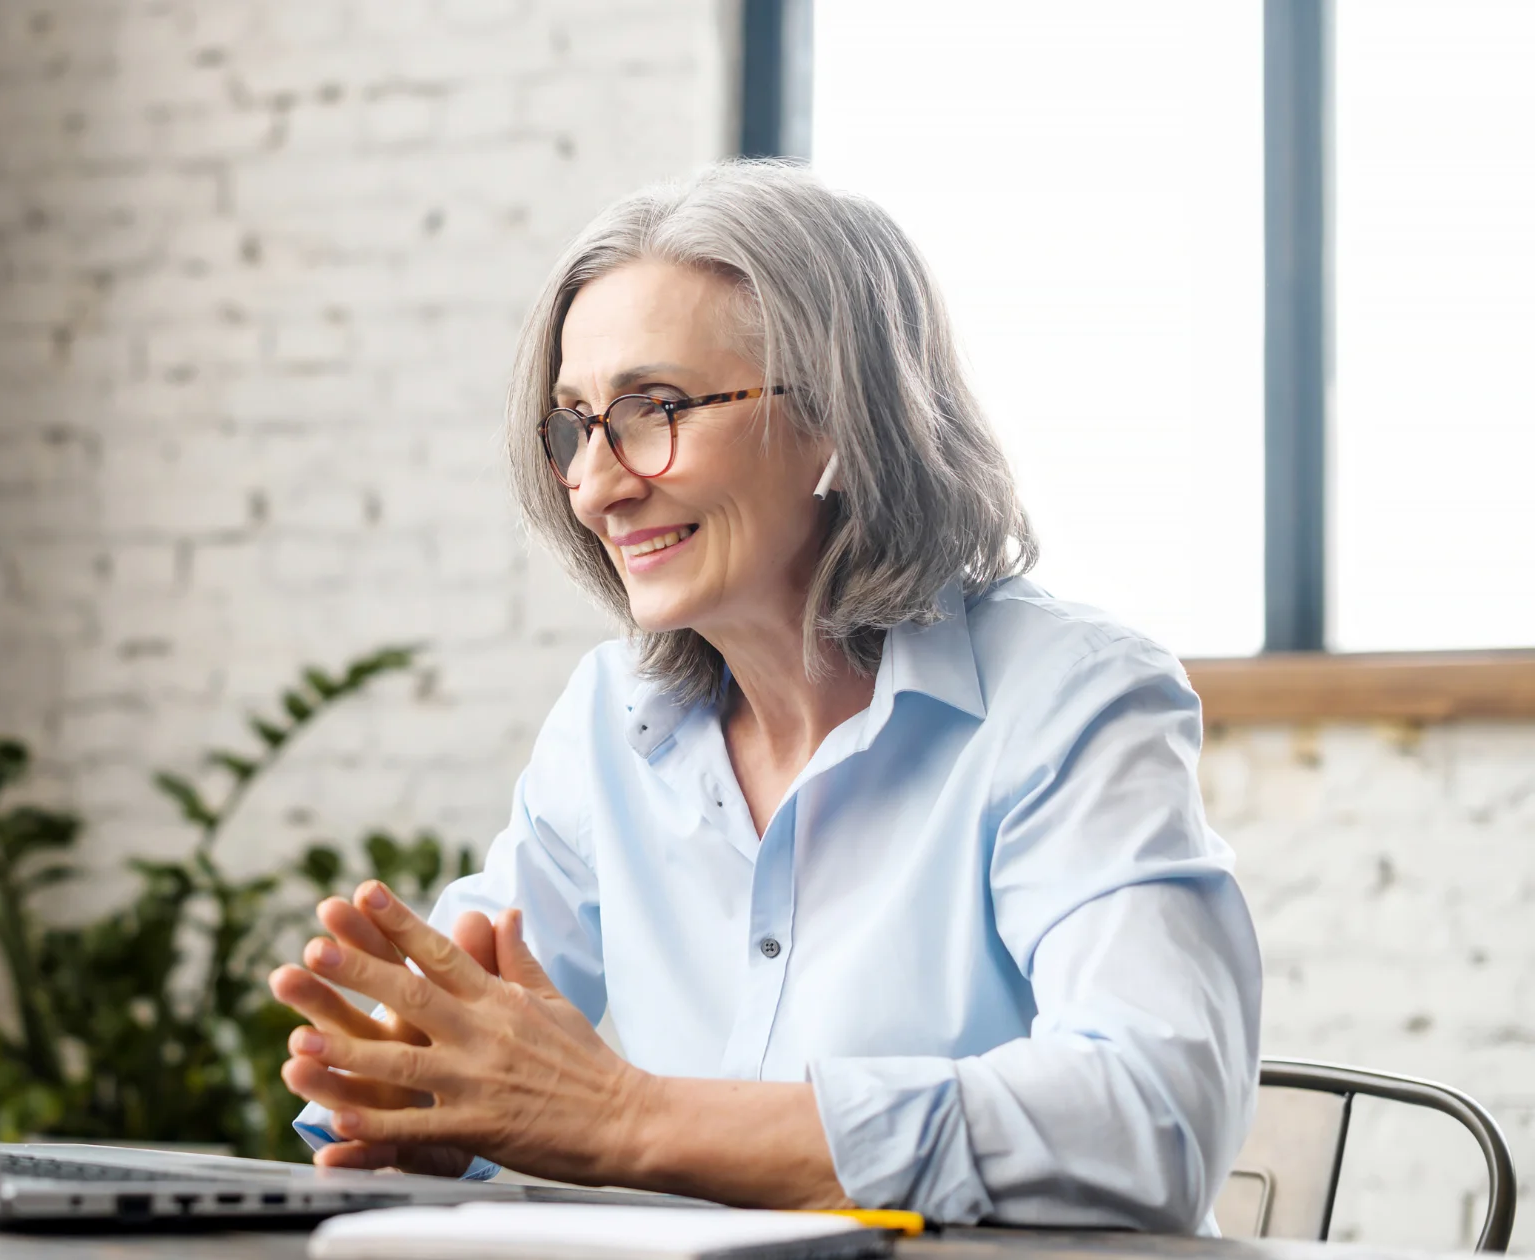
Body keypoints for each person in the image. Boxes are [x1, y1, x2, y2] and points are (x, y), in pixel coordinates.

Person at [266, 159, 1261, 1231]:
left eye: (654, 408)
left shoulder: (1067, 697)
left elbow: (1148, 1120)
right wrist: (402, 1100)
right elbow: (439, 1087)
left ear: (837, 415)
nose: (596, 484)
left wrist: (626, 1120)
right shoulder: (608, 721)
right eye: (572, 425)